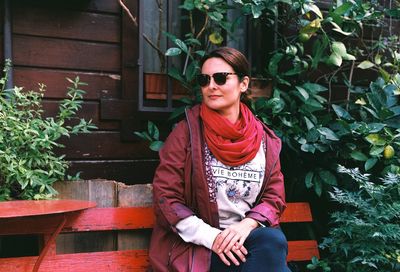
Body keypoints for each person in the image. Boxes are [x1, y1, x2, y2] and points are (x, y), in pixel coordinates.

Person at [149, 47, 290, 272]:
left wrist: (247, 225)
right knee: (271, 248)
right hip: (199, 249)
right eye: (204, 80)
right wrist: (214, 238)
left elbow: (274, 196)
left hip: (248, 242)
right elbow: (167, 198)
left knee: (270, 241)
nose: (211, 86)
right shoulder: (186, 134)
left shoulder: (265, 140)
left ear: (243, 84)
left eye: (221, 78)